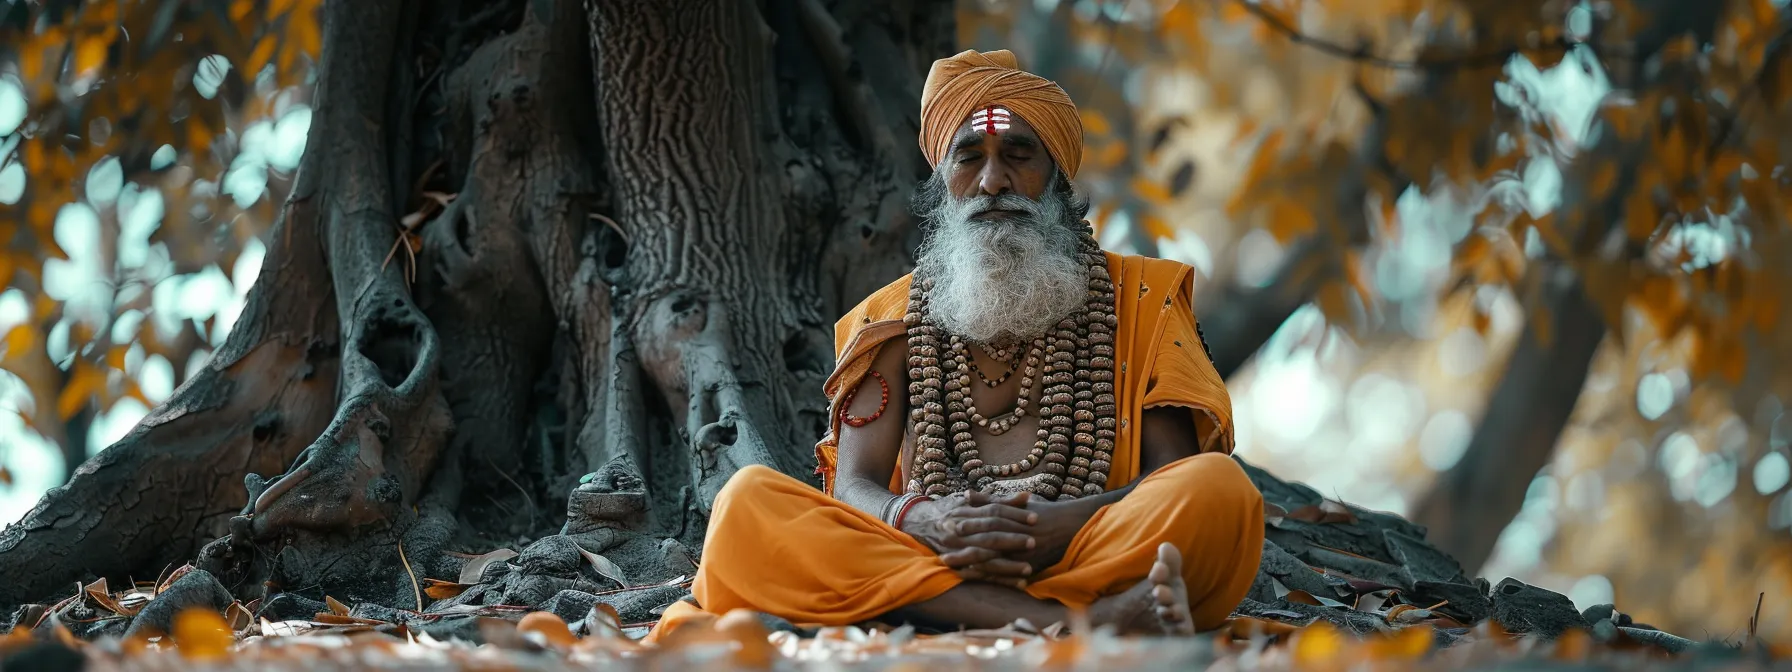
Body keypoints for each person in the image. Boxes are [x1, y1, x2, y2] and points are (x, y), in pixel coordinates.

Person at [648, 49, 1264, 641]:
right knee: (747, 504)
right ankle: (1077, 624)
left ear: (1056, 178)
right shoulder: (890, 318)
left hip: (1091, 545)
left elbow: (1172, 476)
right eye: (969, 158)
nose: (994, 181)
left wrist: (1054, 528)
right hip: (936, 553)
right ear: (944, 183)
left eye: (1018, 154)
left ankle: (954, 614)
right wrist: (927, 520)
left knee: (1218, 491)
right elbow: (855, 486)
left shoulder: (1142, 298)